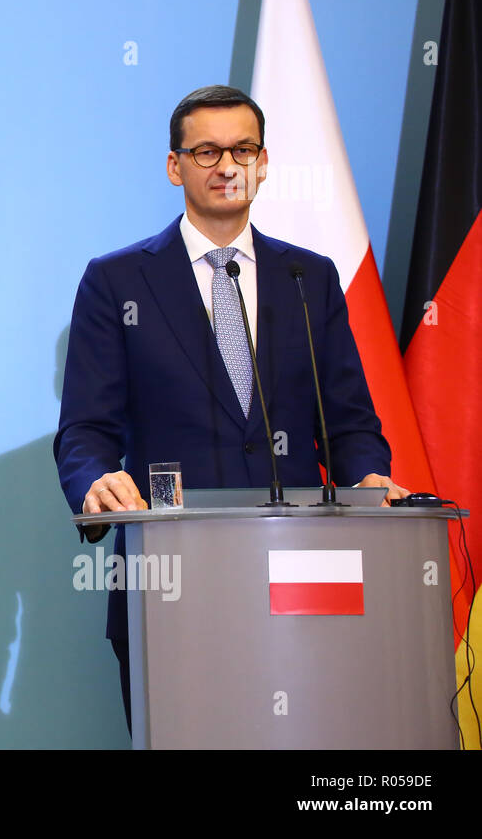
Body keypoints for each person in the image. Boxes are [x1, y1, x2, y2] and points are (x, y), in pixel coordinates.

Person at [53, 85, 407, 729]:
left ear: (264, 162)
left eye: (243, 149)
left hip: (305, 569)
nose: (227, 166)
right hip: (174, 576)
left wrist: (367, 479)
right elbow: (85, 428)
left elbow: (349, 419)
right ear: (175, 166)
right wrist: (93, 480)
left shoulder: (310, 277)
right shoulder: (118, 280)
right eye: (208, 151)